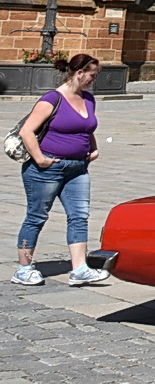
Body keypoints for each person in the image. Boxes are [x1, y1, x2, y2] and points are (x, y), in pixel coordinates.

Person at [13, 54, 108, 287]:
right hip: (47, 169)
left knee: (79, 216)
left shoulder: (88, 99)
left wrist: (92, 149)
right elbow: (27, 132)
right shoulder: (51, 99)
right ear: (79, 73)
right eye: (92, 75)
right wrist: (41, 159)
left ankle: (80, 269)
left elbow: (87, 127)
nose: (93, 80)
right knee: (36, 216)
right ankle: (24, 268)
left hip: (78, 169)